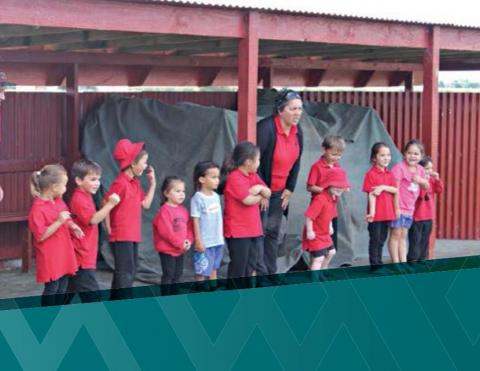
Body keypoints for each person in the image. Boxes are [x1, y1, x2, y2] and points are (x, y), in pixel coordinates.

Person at [257, 89, 303, 275]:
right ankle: (258, 275)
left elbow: (297, 161)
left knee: (273, 234)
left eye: (300, 108)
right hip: (263, 192)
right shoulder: (266, 128)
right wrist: (261, 190)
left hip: (279, 193)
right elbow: (255, 162)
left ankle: (270, 272)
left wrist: (290, 188)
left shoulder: (297, 131)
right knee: (258, 234)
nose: (298, 113)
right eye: (293, 109)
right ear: (280, 110)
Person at [104, 138, 156, 300]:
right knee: (125, 272)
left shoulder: (135, 183)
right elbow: (106, 204)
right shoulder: (120, 183)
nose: (146, 165)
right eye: (144, 162)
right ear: (133, 163)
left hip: (131, 234)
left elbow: (146, 204)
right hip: (121, 235)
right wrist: (109, 229)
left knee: (127, 271)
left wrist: (153, 184)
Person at [28, 164, 83, 306]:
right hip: (50, 256)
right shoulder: (37, 209)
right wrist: (59, 221)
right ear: (53, 187)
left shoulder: (58, 201)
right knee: (52, 287)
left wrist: (72, 226)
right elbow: (41, 235)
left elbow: (66, 217)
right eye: (64, 185)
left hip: (63, 252)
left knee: (63, 286)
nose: (66, 189)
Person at [67, 159, 121, 303]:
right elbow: (93, 220)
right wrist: (110, 205)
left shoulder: (86, 196)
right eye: (92, 179)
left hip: (84, 255)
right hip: (82, 257)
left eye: (98, 179)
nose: (97, 183)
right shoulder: (79, 199)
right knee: (92, 296)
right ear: (79, 180)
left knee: (68, 292)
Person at [223, 141, 271, 282]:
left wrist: (260, 191)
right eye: (258, 160)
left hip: (253, 229)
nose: (259, 163)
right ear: (248, 162)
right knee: (239, 268)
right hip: (238, 231)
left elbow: (268, 192)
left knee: (250, 267)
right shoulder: (234, 177)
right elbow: (247, 200)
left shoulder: (253, 176)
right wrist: (260, 193)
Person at [388, 139, 429, 263]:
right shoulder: (399, 168)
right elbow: (394, 189)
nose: (412, 156)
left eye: (416, 154)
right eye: (410, 153)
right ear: (404, 153)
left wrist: (421, 181)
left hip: (409, 209)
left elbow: (427, 187)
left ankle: (403, 261)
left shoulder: (421, 170)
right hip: (398, 207)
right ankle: (396, 263)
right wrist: (396, 208)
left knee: (403, 235)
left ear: (421, 156)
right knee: (395, 235)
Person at [303, 167, 350, 272]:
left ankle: (323, 270)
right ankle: (315, 280)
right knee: (318, 258)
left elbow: (330, 215)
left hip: (324, 233)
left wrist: (330, 225)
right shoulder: (320, 199)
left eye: (342, 186)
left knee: (331, 252)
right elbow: (309, 216)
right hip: (316, 233)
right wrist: (310, 231)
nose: (339, 188)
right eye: (336, 186)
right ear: (328, 184)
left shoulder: (333, 198)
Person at [152, 176, 192, 295]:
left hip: (180, 250)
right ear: (166, 193)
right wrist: (180, 243)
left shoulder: (183, 210)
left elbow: (189, 228)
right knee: (169, 274)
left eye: (183, 191)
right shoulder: (164, 211)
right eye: (177, 191)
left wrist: (188, 241)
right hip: (167, 250)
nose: (182, 194)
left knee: (177, 274)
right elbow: (166, 233)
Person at [362, 143, 400, 267]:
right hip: (376, 214)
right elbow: (371, 194)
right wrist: (372, 212)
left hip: (387, 213)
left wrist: (383, 187)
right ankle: (375, 265)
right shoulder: (370, 174)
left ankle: (379, 262)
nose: (386, 158)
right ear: (374, 158)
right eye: (382, 155)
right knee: (375, 239)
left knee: (382, 239)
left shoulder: (390, 174)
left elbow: (395, 191)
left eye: (388, 155)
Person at [307, 135, 347, 250]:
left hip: (331, 207)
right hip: (318, 207)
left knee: (330, 241)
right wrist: (325, 190)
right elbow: (310, 187)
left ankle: (326, 265)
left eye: (339, 155)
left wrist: (342, 188)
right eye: (333, 154)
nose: (336, 158)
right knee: (317, 242)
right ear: (324, 150)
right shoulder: (316, 167)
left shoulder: (337, 166)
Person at [191, 161, 224, 286]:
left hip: (217, 241)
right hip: (205, 242)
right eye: (213, 177)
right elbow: (195, 220)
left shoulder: (216, 196)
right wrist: (198, 240)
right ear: (202, 179)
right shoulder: (197, 198)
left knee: (214, 268)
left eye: (218, 177)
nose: (217, 180)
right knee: (201, 270)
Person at [408, 156, 444, 262]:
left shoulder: (432, 180)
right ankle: (412, 261)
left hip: (428, 216)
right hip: (417, 217)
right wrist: (423, 182)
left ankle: (422, 260)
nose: (430, 171)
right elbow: (419, 196)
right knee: (415, 241)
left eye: (431, 168)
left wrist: (437, 179)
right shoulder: (416, 181)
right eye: (427, 168)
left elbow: (439, 190)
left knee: (425, 241)